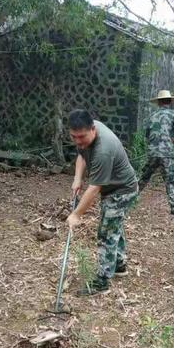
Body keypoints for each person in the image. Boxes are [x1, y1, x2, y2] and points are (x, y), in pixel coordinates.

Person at [66, 109, 138, 296]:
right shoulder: (84, 132)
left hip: (122, 190)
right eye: (74, 137)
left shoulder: (103, 149)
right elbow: (81, 155)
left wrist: (76, 214)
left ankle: (102, 282)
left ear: (93, 129)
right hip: (112, 187)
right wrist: (77, 178)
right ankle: (119, 265)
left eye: (81, 137)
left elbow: (94, 188)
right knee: (113, 225)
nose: (78, 141)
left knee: (106, 232)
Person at [138, 90, 174, 215]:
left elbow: (147, 137)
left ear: (159, 102)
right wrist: (171, 142)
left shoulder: (152, 116)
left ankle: (130, 199)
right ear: (170, 101)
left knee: (143, 178)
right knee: (171, 180)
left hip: (153, 153)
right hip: (167, 154)